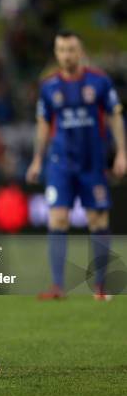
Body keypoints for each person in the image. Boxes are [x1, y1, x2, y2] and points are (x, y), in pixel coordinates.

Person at [26, 31, 126, 300]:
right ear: (56, 53)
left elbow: (115, 117)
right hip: (60, 163)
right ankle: (58, 287)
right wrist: (37, 159)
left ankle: (101, 287)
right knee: (57, 219)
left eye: (70, 49)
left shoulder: (100, 81)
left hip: (92, 163)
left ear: (80, 52)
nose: (66, 55)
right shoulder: (48, 86)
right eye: (61, 50)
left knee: (98, 219)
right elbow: (44, 124)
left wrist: (121, 154)